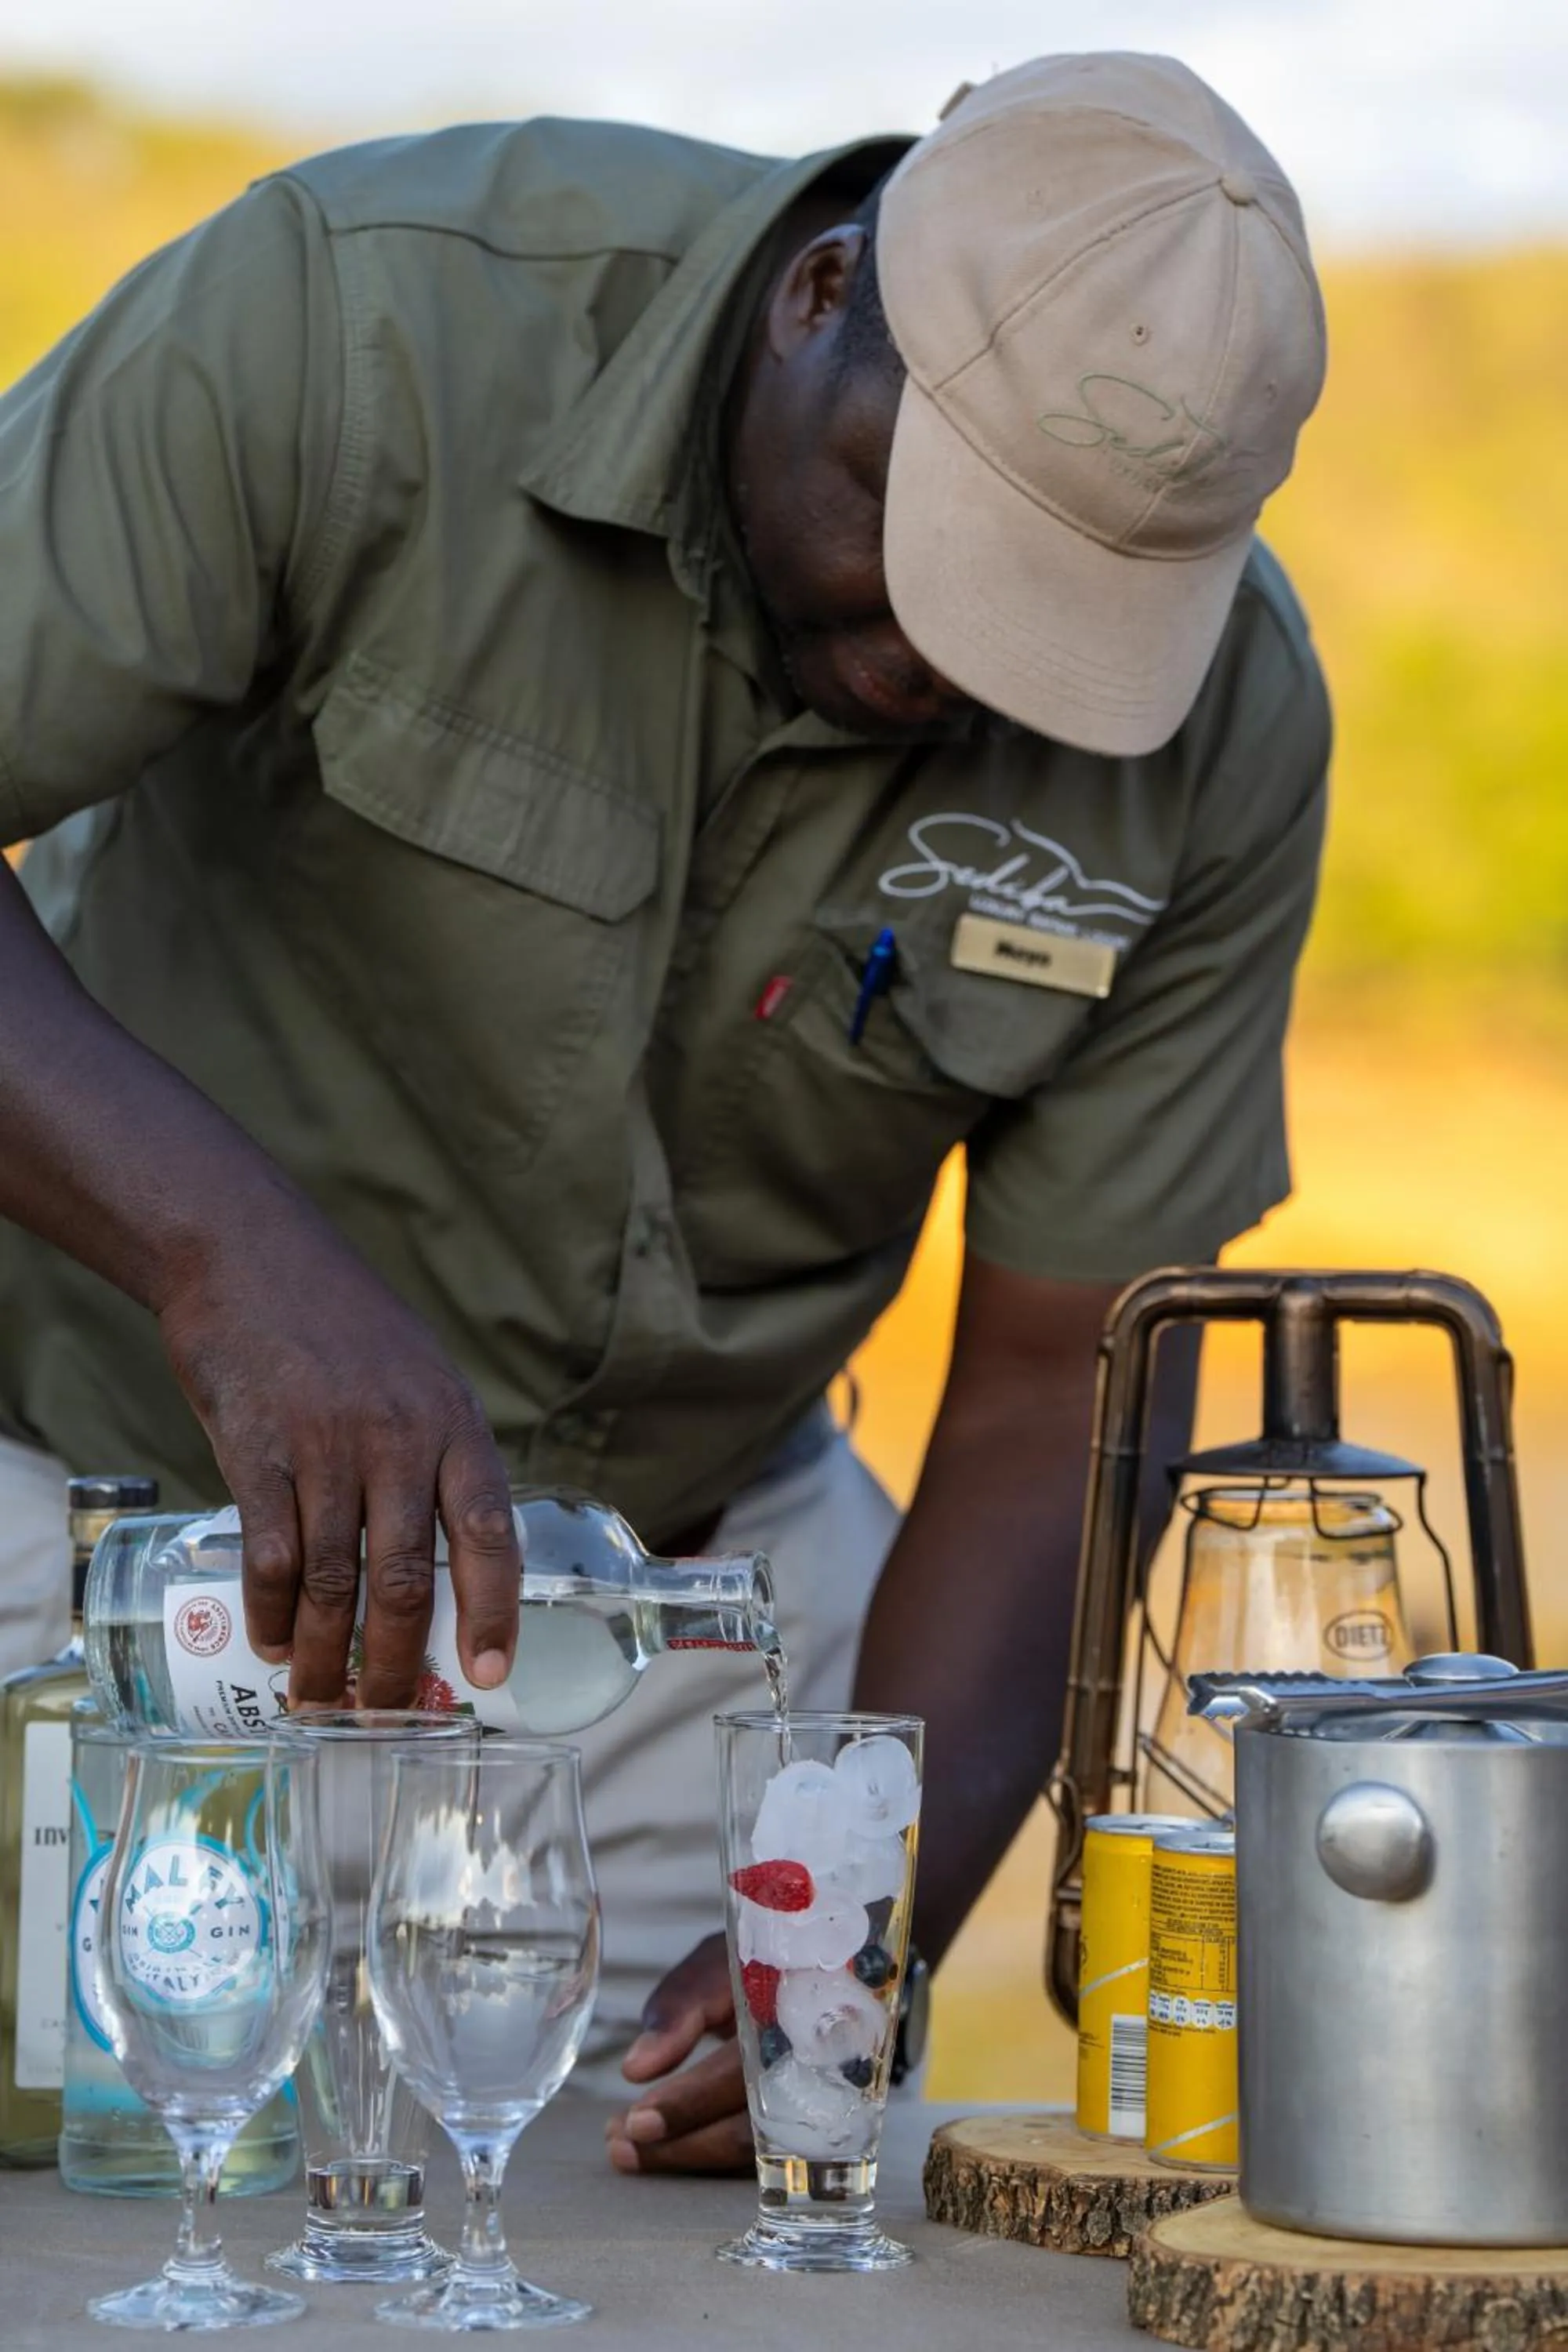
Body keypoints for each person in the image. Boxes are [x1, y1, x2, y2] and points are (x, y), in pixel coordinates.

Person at [0, 53, 1329, 2167]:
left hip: (662, 1653)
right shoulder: (359, 329)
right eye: (923, 534)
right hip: (86, 1561)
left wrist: (868, 1878)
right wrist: (220, 1255)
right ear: (819, 295)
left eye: (1051, 620)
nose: (937, 661)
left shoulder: (1234, 724)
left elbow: (1060, 1382)